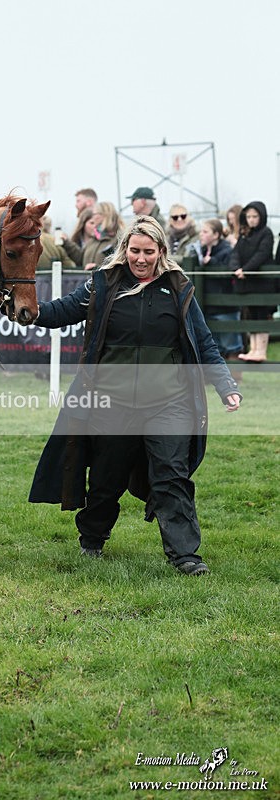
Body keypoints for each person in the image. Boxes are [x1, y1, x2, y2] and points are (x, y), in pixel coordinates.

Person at [29, 216, 241, 575]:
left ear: (161, 251)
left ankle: (185, 555)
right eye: (134, 251)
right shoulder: (103, 284)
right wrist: (27, 311)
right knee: (105, 478)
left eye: (148, 252)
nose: (140, 259)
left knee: (171, 475)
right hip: (111, 402)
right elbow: (61, 311)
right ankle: (92, 540)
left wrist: (226, 386)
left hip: (170, 403)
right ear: (124, 248)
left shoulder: (179, 288)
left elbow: (203, 342)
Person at [189, 219, 242, 360]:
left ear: (216, 235)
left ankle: (236, 378)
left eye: (205, 232)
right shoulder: (202, 251)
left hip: (226, 307)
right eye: (201, 231)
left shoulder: (228, 251)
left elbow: (228, 272)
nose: (201, 235)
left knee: (232, 345)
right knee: (215, 347)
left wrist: (212, 262)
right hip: (209, 306)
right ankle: (219, 380)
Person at [229, 201, 275, 362]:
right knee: (252, 314)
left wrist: (246, 270)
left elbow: (262, 254)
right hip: (247, 283)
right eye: (248, 216)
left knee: (262, 315)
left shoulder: (266, 233)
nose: (252, 220)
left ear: (261, 216)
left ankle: (261, 350)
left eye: (255, 216)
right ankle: (254, 350)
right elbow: (235, 253)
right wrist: (236, 268)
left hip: (263, 284)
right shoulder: (244, 234)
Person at [60, 202, 125, 270]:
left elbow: (120, 267)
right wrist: (66, 243)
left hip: (105, 280)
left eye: (94, 214)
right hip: (89, 280)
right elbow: (81, 259)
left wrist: (97, 269)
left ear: (104, 215)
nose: (93, 217)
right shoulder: (94, 239)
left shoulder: (119, 239)